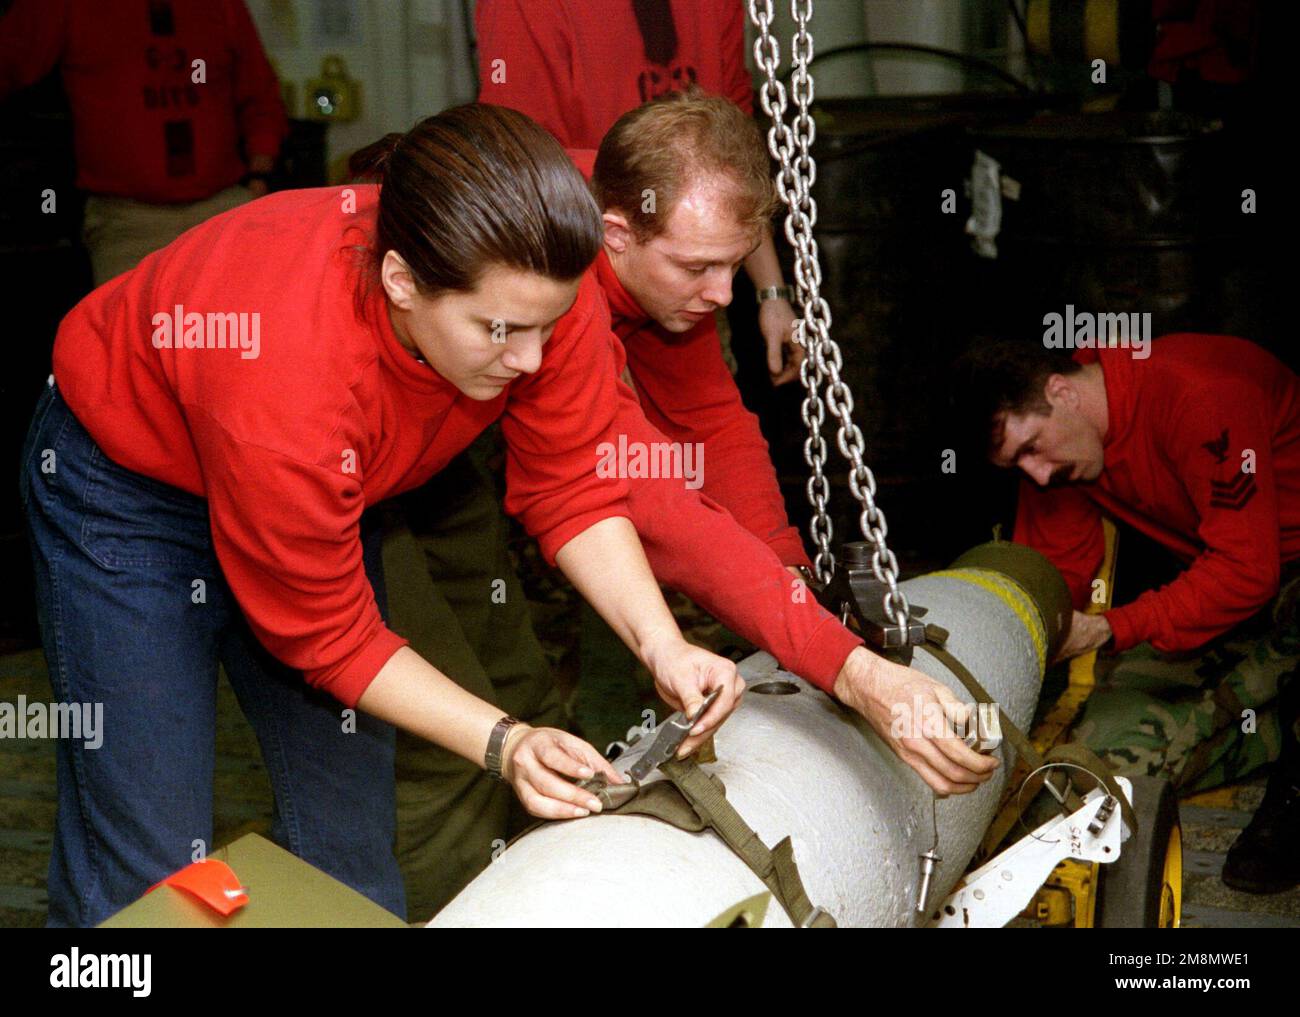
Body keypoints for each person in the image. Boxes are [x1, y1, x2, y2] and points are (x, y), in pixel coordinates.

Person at [21, 102, 746, 927]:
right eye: (499, 331)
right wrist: (506, 740)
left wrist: (663, 641)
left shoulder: (530, 282)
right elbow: (329, 636)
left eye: (548, 326)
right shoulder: (290, 378)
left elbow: (574, 483)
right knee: (149, 862)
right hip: (131, 493)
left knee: (352, 833)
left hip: (327, 489)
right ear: (402, 282)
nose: (531, 360)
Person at [393, 92, 999, 918]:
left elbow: (711, 429)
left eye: (734, 264)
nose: (722, 293)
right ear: (615, 234)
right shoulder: (554, 278)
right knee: (442, 736)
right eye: (697, 267)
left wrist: (791, 584)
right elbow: (652, 501)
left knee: (527, 703)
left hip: (478, 432)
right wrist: (847, 669)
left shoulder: (667, 275)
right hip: (393, 451)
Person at [953, 334, 1300, 892]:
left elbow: (1246, 570)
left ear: (1061, 391)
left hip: (1272, 572)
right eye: (1018, 463)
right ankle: (1275, 718)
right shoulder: (1066, 445)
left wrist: (1115, 625)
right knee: (1103, 756)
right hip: (1238, 596)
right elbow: (1050, 573)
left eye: (1032, 447)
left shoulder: (1198, 397)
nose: (1037, 475)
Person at [475, 0, 802, 385]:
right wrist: (592, 335)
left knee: (704, 425)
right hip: (573, 279)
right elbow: (518, 165)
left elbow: (731, 170)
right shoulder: (525, 9)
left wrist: (772, 291)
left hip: (686, 282)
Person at [0, 0, 287, 284]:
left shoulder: (221, 6)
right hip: (127, 222)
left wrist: (259, 176)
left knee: (245, 324)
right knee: (132, 328)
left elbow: (260, 94)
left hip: (221, 209)